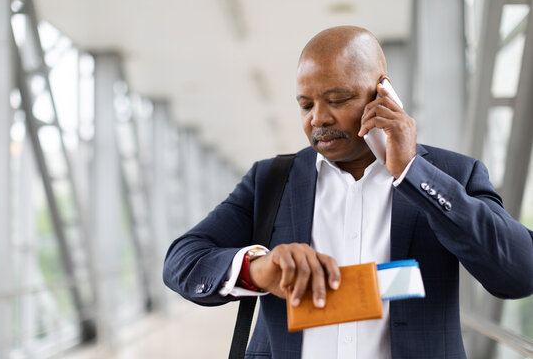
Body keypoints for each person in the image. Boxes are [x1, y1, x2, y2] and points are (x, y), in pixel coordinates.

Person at [163, 26, 533, 358]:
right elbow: (182, 261)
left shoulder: (451, 174)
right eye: (306, 105)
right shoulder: (271, 179)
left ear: (382, 92)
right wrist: (260, 269)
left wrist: (412, 172)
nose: (318, 118)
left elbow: (520, 272)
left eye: (337, 100)